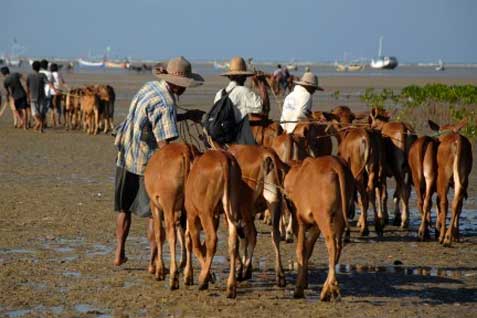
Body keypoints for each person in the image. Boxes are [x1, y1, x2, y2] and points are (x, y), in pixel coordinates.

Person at [113, 56, 204, 268]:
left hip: (125, 153)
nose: (185, 90)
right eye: (184, 86)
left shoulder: (150, 87)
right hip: (147, 163)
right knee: (154, 213)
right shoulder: (167, 103)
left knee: (123, 208)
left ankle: (119, 253)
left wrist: (186, 116)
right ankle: (154, 259)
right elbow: (166, 143)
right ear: (178, 85)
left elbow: (152, 119)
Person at [213, 56, 269, 144]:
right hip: (234, 139)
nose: (246, 78)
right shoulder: (243, 91)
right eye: (245, 76)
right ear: (242, 77)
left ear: (229, 76)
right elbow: (265, 108)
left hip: (217, 138)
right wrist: (261, 83)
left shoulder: (219, 93)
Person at [26, 61, 48, 132]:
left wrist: (28, 96)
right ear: (40, 67)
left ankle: (39, 124)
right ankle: (40, 126)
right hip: (41, 97)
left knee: (34, 113)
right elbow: (48, 83)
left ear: (32, 68)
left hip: (33, 97)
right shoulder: (42, 75)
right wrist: (55, 89)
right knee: (41, 113)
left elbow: (27, 87)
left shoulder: (29, 75)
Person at [39, 59, 54, 127]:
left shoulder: (38, 73)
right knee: (45, 110)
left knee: (40, 109)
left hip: (39, 93)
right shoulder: (50, 73)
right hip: (47, 93)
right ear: (47, 66)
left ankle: (42, 122)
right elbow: (52, 83)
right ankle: (43, 123)